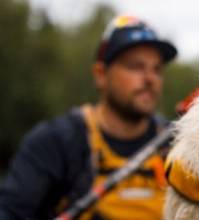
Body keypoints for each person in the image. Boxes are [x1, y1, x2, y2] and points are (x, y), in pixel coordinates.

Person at [0, 15, 177, 220]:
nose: (149, 79)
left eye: (157, 69)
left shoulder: (177, 145)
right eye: (135, 66)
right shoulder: (55, 142)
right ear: (100, 74)